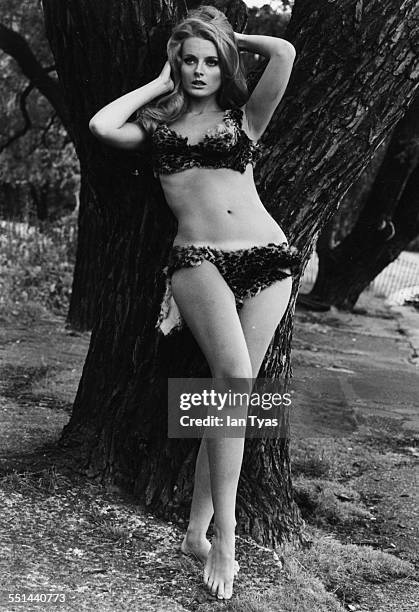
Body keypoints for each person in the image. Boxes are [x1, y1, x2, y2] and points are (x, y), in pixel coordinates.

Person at [89, 5, 300, 601]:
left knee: (233, 396)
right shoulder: (156, 128)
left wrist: (223, 35)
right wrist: (158, 85)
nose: (201, 69)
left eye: (211, 61)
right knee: (232, 379)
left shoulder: (243, 121)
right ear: (176, 64)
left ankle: (195, 530)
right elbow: (103, 127)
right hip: (198, 260)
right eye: (189, 60)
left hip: (269, 256)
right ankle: (228, 539)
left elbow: (282, 54)